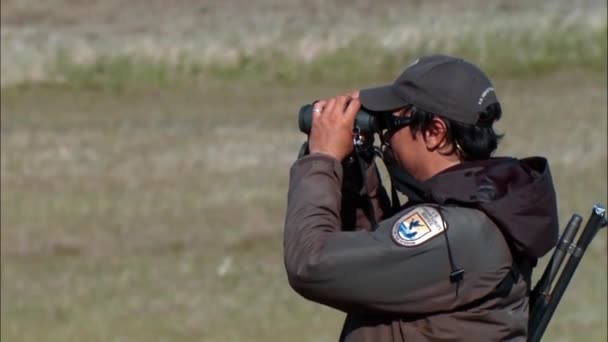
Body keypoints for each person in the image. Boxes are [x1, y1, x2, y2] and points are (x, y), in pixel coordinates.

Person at [283, 54, 560, 341]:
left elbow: (311, 264)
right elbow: (374, 252)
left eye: (392, 123)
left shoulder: (461, 232)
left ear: (434, 132)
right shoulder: (474, 204)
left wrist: (322, 159)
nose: (386, 136)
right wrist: (355, 166)